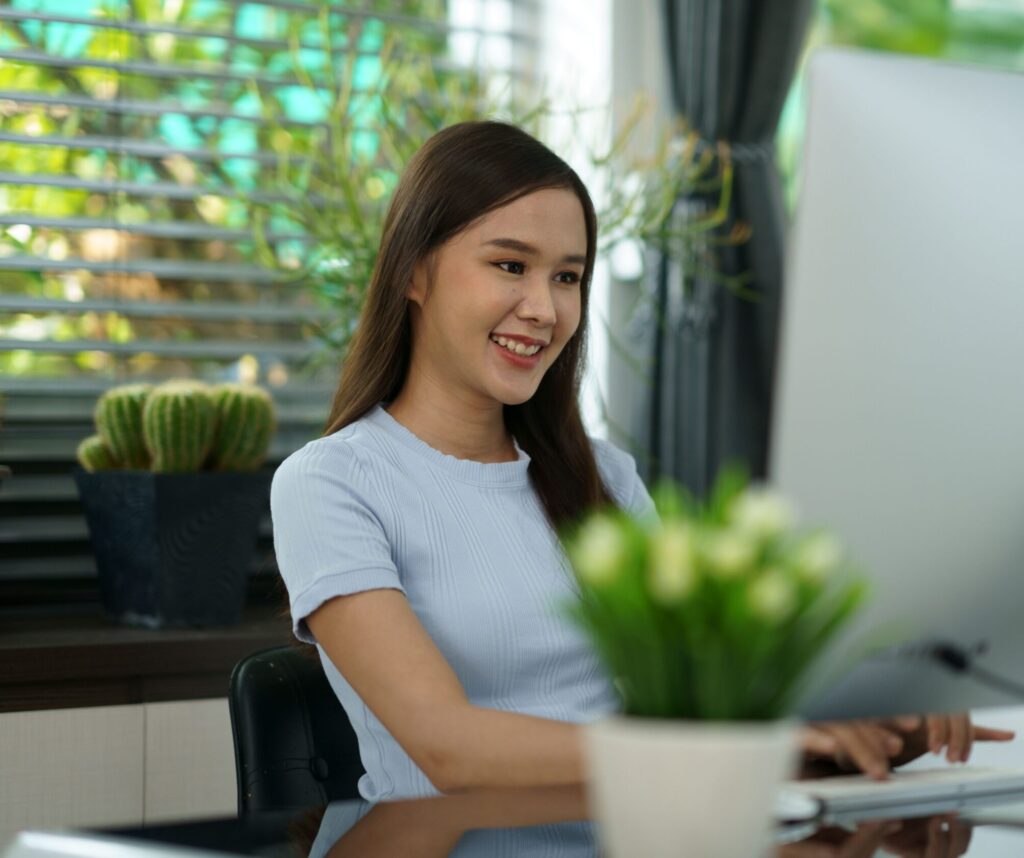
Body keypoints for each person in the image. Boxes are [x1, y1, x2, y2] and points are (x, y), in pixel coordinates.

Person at [269, 120, 1013, 803]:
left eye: (567, 276)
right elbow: (448, 747)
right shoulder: (331, 485)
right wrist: (748, 751)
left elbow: (699, 711)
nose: (543, 308)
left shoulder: (604, 478)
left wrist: (866, 729)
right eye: (509, 265)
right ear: (414, 272)